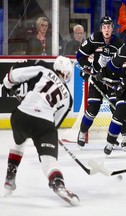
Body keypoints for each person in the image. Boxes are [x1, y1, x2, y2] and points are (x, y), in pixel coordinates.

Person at [2, 56, 79, 206]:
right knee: (49, 162)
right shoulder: (68, 98)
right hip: (43, 125)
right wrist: (45, 145)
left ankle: (10, 177)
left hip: (20, 117)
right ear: (67, 74)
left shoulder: (43, 68)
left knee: (19, 140)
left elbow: (14, 74)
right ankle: (58, 185)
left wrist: (6, 84)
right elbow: (54, 123)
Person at [76, 16, 126, 149]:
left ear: (112, 28)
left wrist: (122, 81)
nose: (106, 29)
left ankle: (125, 135)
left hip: (112, 80)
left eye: (109, 27)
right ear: (101, 28)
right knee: (93, 107)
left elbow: (124, 64)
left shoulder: (118, 43)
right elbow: (80, 56)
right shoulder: (94, 39)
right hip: (97, 79)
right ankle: (82, 132)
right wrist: (87, 69)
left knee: (117, 108)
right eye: (104, 27)